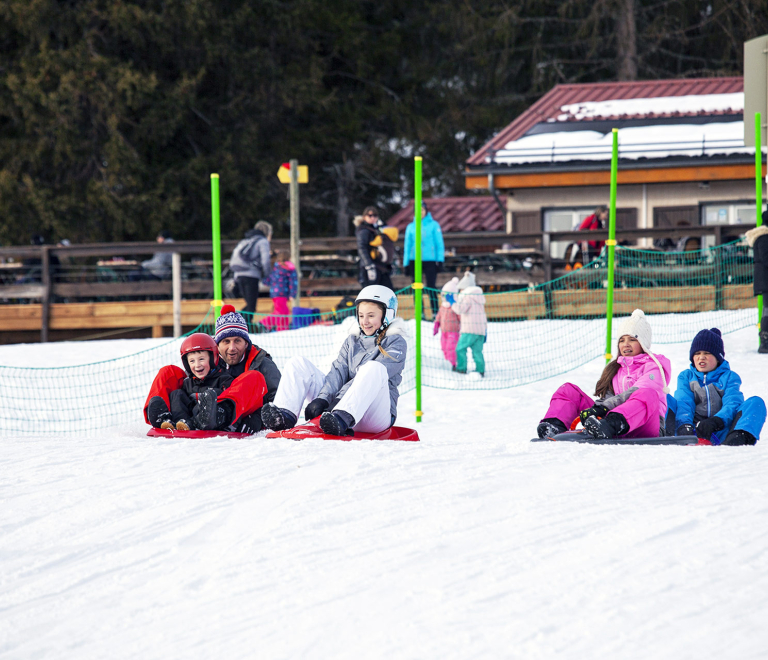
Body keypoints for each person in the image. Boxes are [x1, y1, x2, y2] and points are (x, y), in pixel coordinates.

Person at [260, 285, 406, 436]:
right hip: (337, 410)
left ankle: (341, 417)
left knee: (374, 368)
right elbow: (338, 371)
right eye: (361, 316)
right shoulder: (352, 341)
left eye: (371, 315)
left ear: (387, 315)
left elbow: (368, 377)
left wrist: (337, 402)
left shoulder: (396, 343)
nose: (365, 321)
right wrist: (323, 399)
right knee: (298, 363)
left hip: (373, 417)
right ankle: (284, 416)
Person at [537, 309, 671, 440]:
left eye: (632, 339)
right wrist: (596, 410)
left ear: (643, 343)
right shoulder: (616, 370)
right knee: (568, 390)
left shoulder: (655, 367)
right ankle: (554, 426)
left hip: (645, 425)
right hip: (610, 422)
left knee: (646, 393)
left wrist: (602, 408)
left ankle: (611, 424)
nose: (625, 344)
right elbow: (608, 399)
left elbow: (635, 392)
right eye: (621, 340)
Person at [144, 305, 281, 434]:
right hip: (200, 411)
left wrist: (256, 419)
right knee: (168, 372)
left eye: (237, 341)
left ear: (246, 343)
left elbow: (279, 401)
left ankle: (221, 413)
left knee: (253, 377)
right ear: (217, 344)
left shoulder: (261, 363)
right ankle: (162, 418)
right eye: (226, 342)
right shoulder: (208, 359)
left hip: (237, 417)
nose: (232, 347)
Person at [666, 328, 765, 445]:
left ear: (718, 358)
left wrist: (716, 421)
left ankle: (737, 439)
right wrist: (684, 426)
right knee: (663, 398)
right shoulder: (686, 376)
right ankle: (666, 435)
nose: (701, 357)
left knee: (755, 403)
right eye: (697, 353)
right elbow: (684, 402)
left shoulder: (729, 377)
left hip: (721, 431)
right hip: (691, 432)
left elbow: (732, 403)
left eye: (707, 353)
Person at [158, 333, 235, 430]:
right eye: (192, 361)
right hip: (189, 420)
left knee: (212, 394)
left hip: (214, 420)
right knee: (176, 394)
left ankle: (199, 422)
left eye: (201, 359)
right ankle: (177, 422)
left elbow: (230, 406)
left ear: (213, 359)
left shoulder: (224, 379)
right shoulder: (188, 382)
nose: (197, 365)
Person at [403, 201, 445, 318]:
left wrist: (440, 260)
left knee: (431, 286)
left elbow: (439, 244)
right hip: (414, 260)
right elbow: (407, 245)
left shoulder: (434, 225)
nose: (420, 212)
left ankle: (435, 312)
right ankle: (420, 312)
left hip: (430, 260)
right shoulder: (411, 227)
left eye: (422, 210)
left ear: (425, 211)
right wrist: (406, 263)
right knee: (417, 286)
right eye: (418, 210)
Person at [229, 220, 273, 314]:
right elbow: (265, 261)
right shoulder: (263, 241)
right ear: (267, 233)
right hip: (251, 276)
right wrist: (267, 276)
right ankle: (238, 323)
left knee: (249, 305)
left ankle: (238, 323)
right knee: (251, 307)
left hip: (238, 275)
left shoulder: (245, 240)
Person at [452, 271, 486, 377]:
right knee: (477, 351)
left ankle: (461, 368)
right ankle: (481, 370)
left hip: (469, 329)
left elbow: (460, 309)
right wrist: (485, 330)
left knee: (460, 348)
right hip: (480, 330)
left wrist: (452, 302)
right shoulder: (479, 297)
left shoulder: (468, 297)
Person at [354, 207, 395, 290]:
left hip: (381, 266)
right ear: (364, 217)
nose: (373, 218)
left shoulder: (378, 229)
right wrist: (368, 265)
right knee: (372, 293)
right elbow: (362, 248)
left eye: (375, 215)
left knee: (388, 291)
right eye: (370, 215)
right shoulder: (363, 230)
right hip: (369, 266)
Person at [261, 251, 298, 332]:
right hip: (282, 293)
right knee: (281, 311)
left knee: (284, 311)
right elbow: (293, 282)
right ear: (289, 258)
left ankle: (282, 330)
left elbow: (268, 280)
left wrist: (263, 278)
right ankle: (264, 323)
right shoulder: (290, 267)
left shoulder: (275, 268)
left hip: (274, 293)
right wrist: (292, 294)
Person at [746, 220, 768, 353]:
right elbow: (766, 258)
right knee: (767, 311)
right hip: (766, 281)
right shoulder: (764, 237)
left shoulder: (761, 237)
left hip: (764, 280)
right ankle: (764, 342)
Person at [433, 277, 460, 370]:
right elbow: (439, 316)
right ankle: (446, 362)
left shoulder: (455, 306)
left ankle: (453, 364)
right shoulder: (443, 306)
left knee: (451, 348)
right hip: (444, 332)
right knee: (444, 347)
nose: (444, 297)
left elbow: (460, 316)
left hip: (454, 332)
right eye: (443, 294)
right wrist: (436, 325)